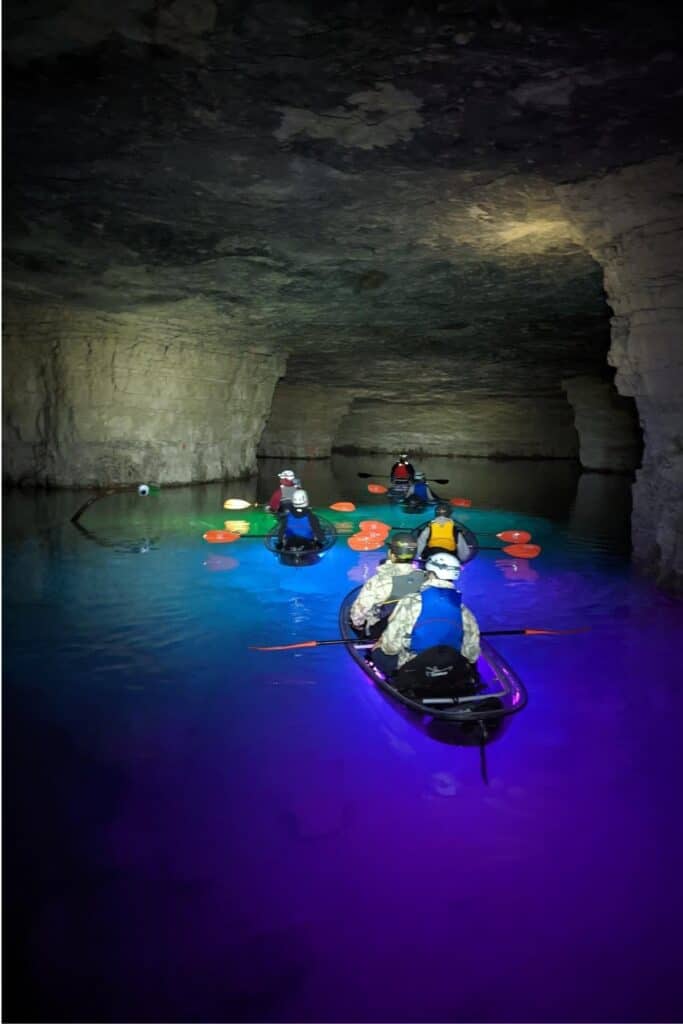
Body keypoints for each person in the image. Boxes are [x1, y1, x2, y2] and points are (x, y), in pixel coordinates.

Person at [370, 552, 480, 680]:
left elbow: (391, 647)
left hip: (413, 667)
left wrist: (379, 645)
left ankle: (394, 678)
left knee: (378, 652)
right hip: (449, 666)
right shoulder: (463, 609)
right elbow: (472, 655)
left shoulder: (410, 602)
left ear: (431, 573)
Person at [350, 533, 426, 634]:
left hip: (383, 628)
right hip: (411, 626)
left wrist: (357, 624)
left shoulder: (377, 582)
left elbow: (358, 612)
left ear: (391, 554)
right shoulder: (424, 577)